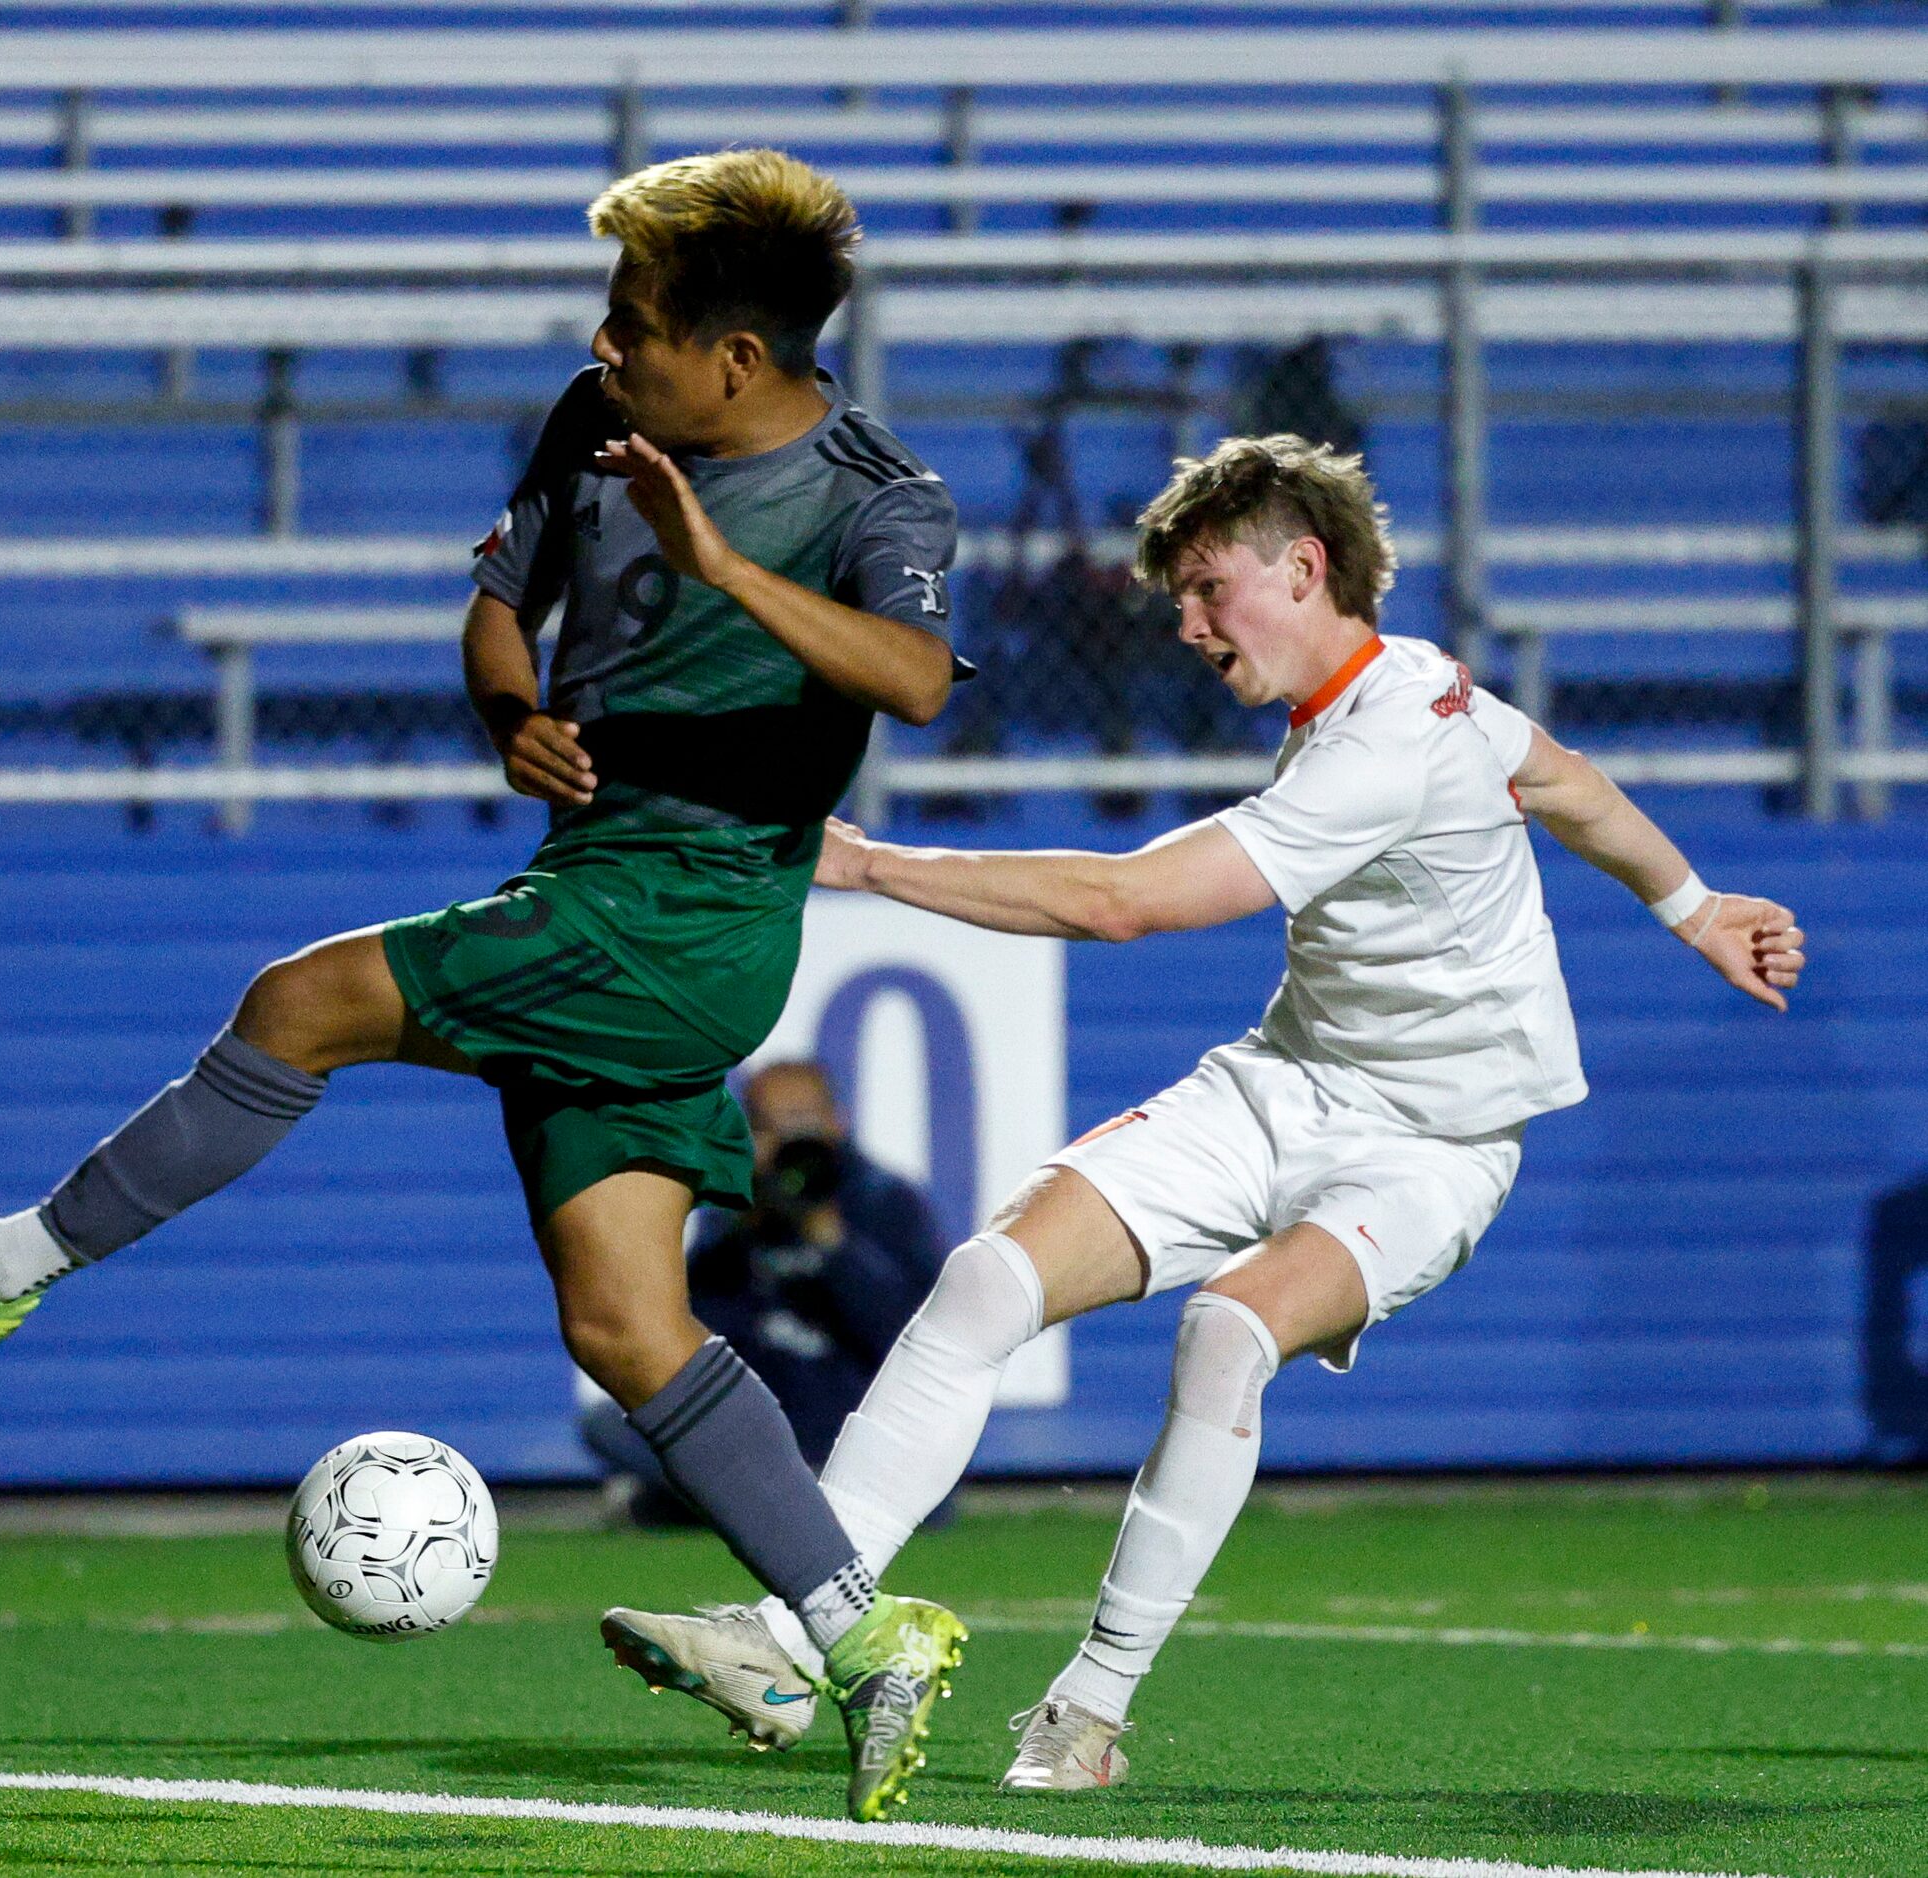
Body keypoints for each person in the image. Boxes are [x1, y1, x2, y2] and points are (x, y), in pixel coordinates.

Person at [0, 148, 970, 1822]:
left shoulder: (876, 495)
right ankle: (863, 1635)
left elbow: (918, 679)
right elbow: (496, 612)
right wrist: (513, 718)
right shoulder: (593, 422)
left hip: (695, 910)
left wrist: (717, 566)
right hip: (591, 879)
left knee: (301, 1000)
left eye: (635, 322)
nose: (600, 341)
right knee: (628, 1325)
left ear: (735, 356)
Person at [610, 433, 1808, 1791]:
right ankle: (787, 1632)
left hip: (1431, 1147)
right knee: (983, 1277)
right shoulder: (1426, 691)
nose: (1182, 622)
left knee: (1227, 1329)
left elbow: (1125, 903)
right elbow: (1562, 781)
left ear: (1301, 569)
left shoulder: (1380, 746)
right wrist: (1691, 905)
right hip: (1282, 1081)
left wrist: (873, 863)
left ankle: (1087, 1709)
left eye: (1203, 586)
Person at [580, 1059, 948, 1520]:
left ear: (838, 1121)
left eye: (805, 1122)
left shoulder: (886, 1202)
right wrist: (744, 1225)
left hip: (853, 1431)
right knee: (608, 1425)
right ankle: (788, 1505)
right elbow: (689, 1342)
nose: (794, 1141)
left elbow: (913, 1340)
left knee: (922, 1476)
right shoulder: (737, 1212)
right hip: (762, 1436)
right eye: (772, 1127)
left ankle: (734, 1506)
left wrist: (831, 1241)